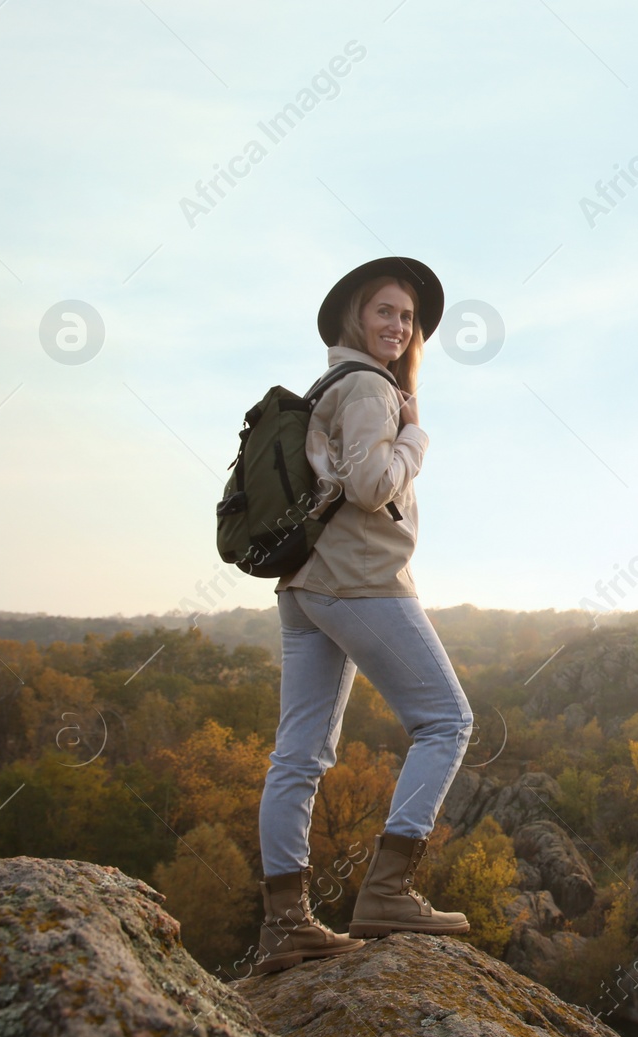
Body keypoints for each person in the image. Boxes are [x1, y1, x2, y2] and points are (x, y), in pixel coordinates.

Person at [252, 256, 475, 974]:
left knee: (300, 755)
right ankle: (388, 888)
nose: (398, 325)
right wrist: (416, 438)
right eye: (386, 311)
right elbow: (373, 482)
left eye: (407, 318)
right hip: (360, 579)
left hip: (304, 585)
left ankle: (286, 921)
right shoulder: (370, 389)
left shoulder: (329, 385)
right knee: (447, 720)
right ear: (356, 316)